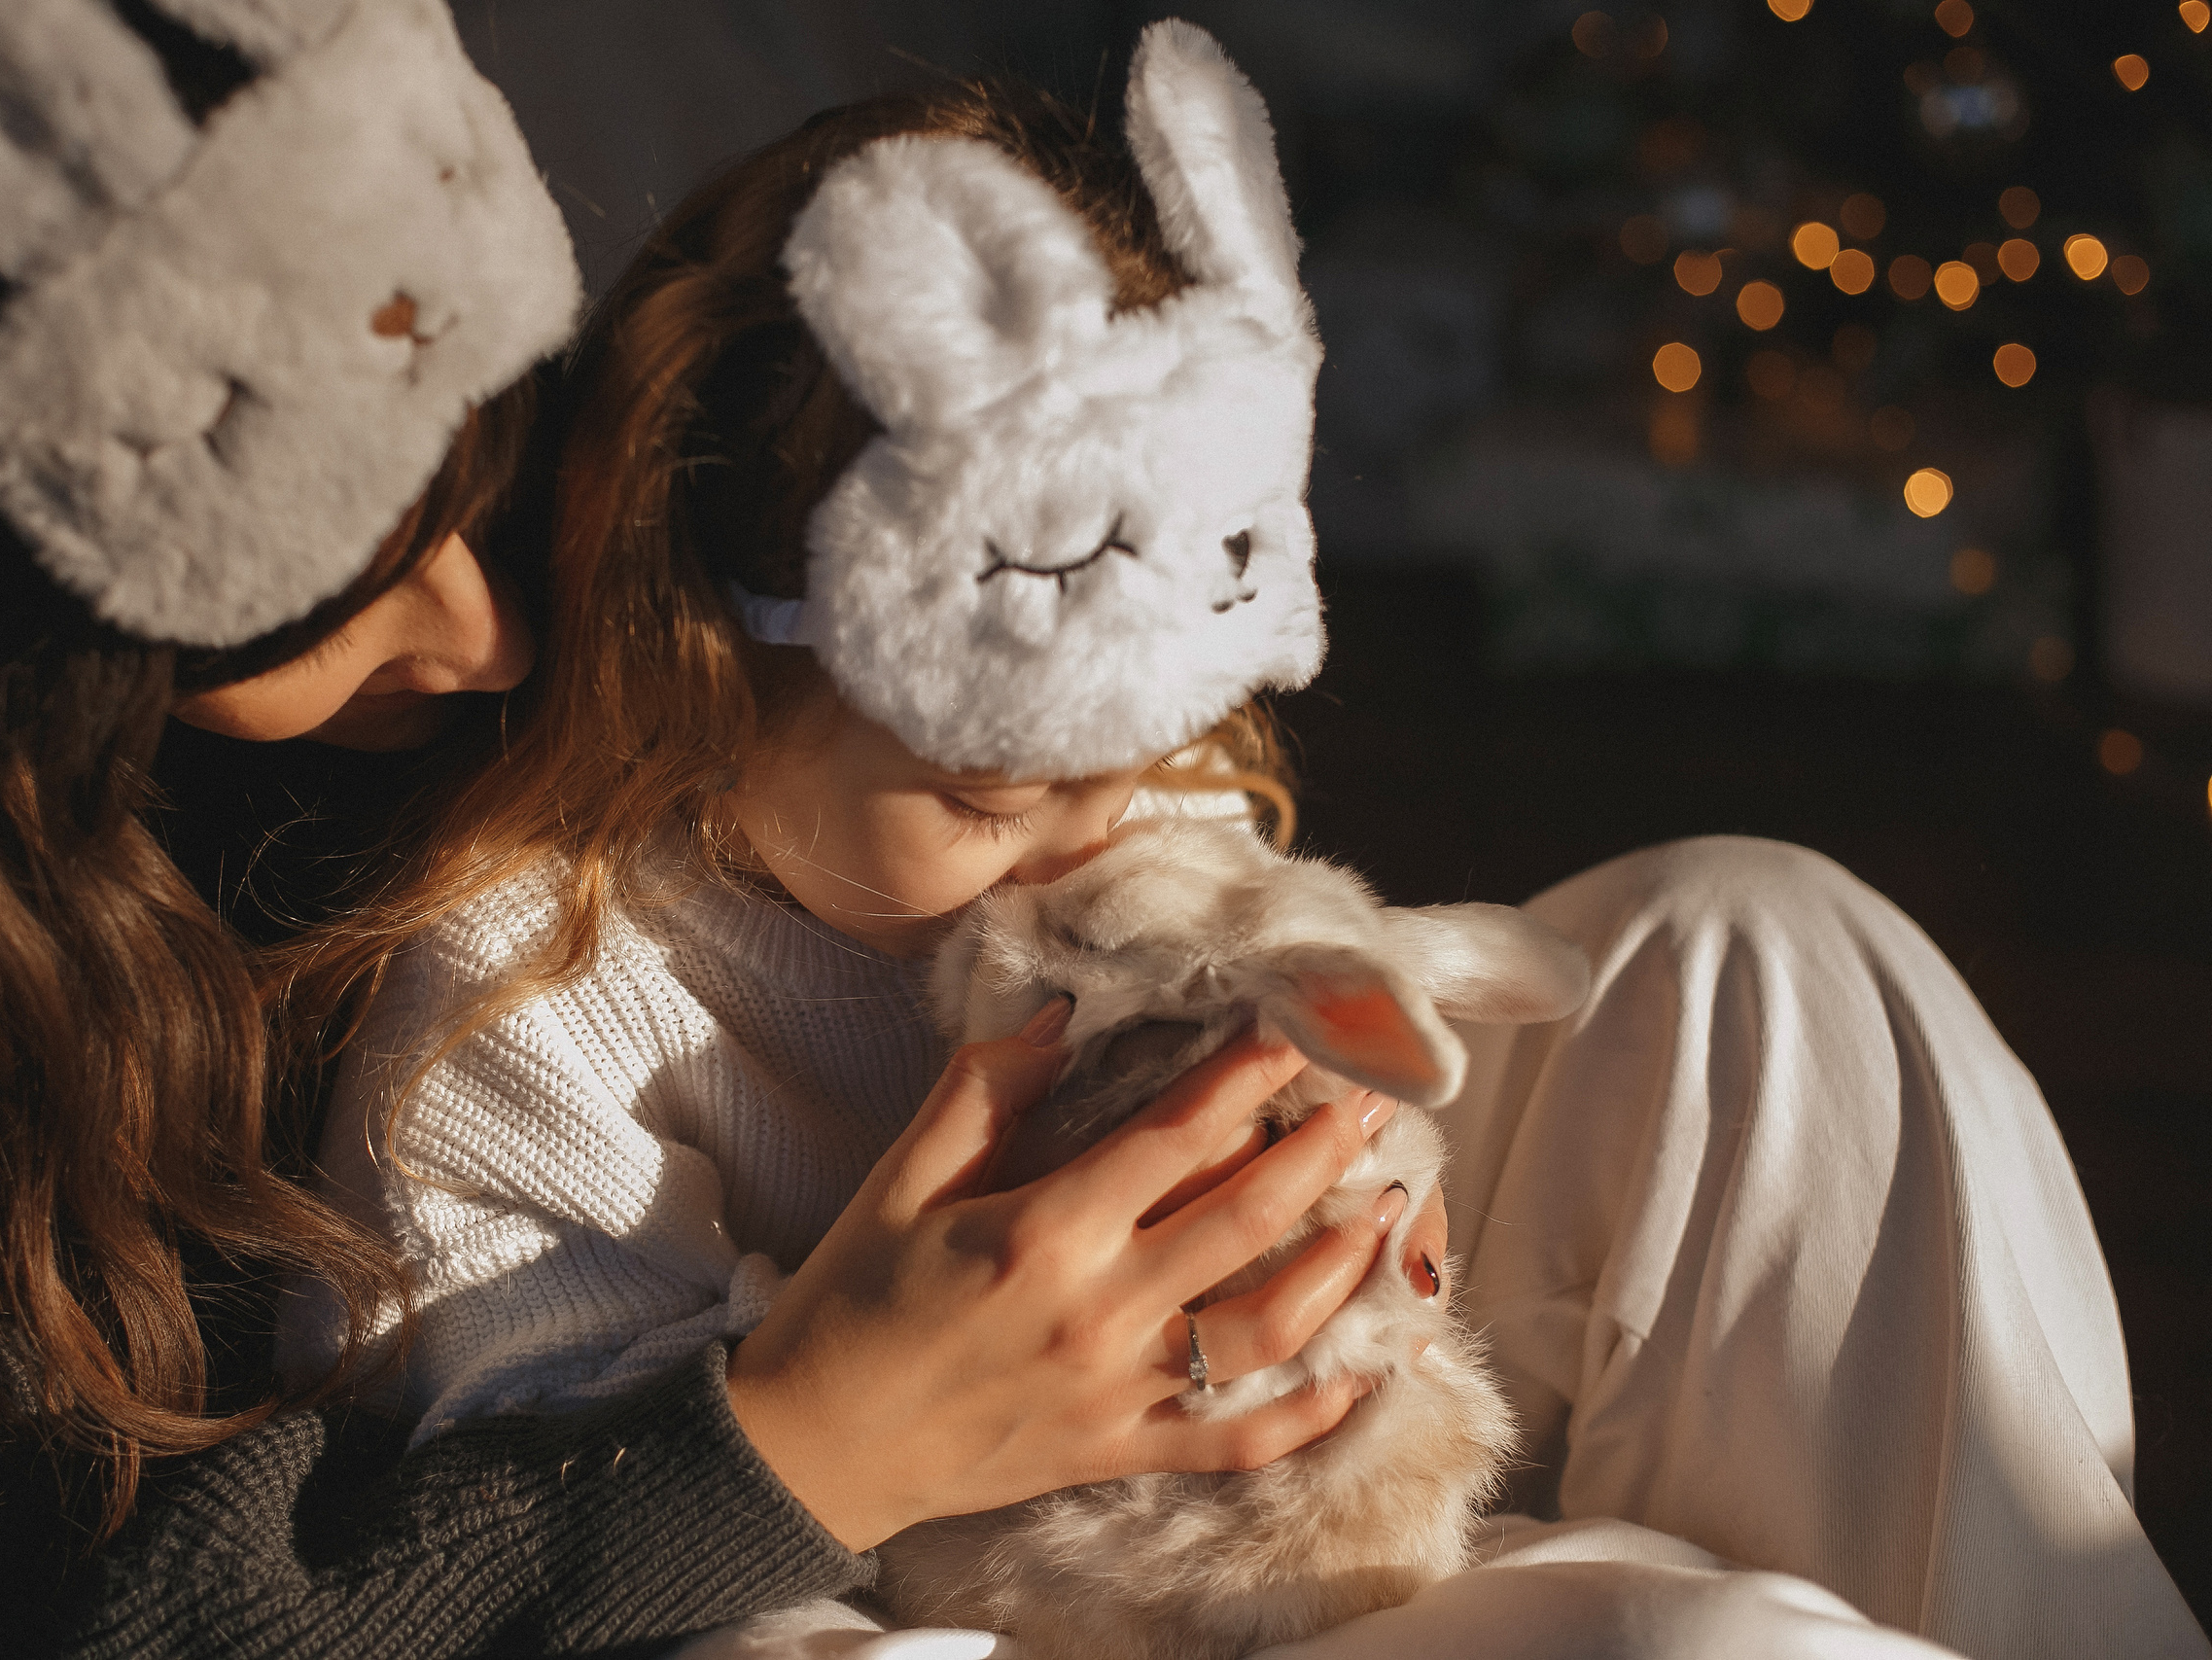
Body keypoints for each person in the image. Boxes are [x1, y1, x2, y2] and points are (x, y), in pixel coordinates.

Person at [267, 23, 2211, 1660]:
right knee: (1685, 1642)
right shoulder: (534, 994)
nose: (1100, 831)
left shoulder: (1111, 763)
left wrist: (1357, 1176)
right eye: (993, 794)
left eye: (1149, 751)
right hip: (916, 1588)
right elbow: (542, 1525)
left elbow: (1299, 1028)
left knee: (1759, 946)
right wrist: (888, 1402)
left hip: (1296, 1492)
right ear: (690, 668)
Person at [0, 7, 1383, 1657]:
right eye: (328, 598)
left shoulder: (784, 620)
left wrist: (1317, 1172)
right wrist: (819, 1435)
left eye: (495, 455)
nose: (508, 639)